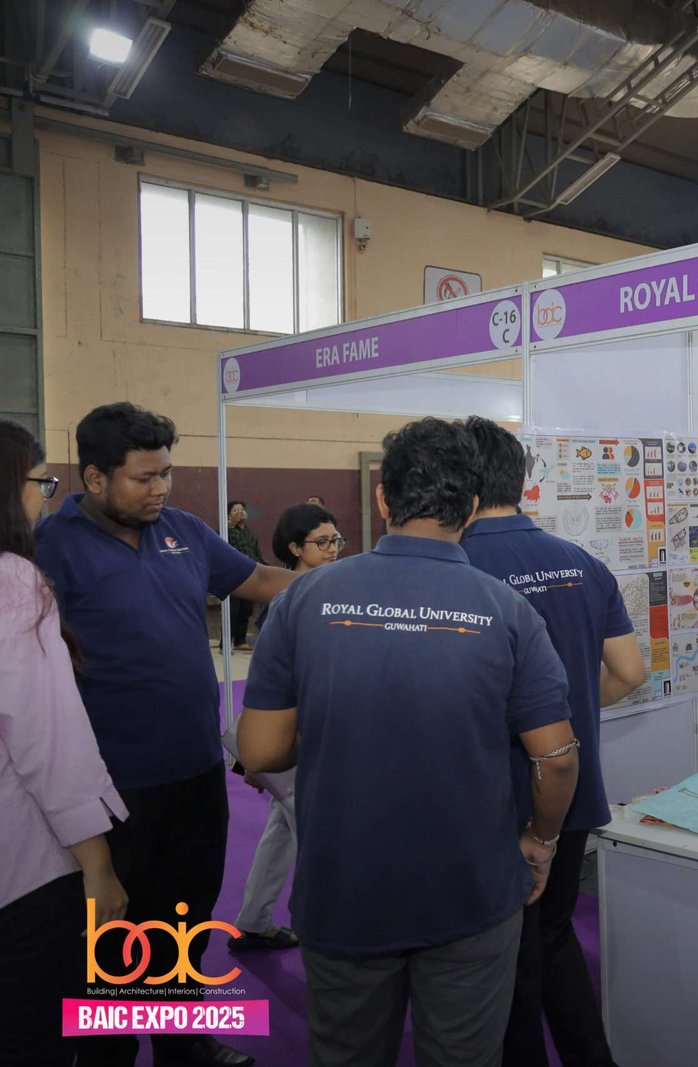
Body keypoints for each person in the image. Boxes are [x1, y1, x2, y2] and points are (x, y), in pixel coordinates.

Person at [238, 417, 578, 1067]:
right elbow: (556, 759)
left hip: (345, 888)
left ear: (382, 499)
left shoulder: (304, 599)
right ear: (472, 507)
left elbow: (259, 751)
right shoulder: (507, 609)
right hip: (471, 888)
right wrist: (542, 838)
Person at [35, 403, 291, 1067]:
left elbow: (260, 580)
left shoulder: (183, 530)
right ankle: (108, 1053)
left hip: (196, 771)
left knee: (184, 920)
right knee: (113, 937)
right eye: (144, 477)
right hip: (109, 786)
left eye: (166, 473)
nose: (161, 489)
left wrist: (351, 585)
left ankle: (182, 1042)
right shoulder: (50, 548)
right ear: (96, 477)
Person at [458, 417, 646, 1067]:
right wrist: (568, 715)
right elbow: (630, 671)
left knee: (503, 957)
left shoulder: (458, 567)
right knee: (555, 935)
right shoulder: (582, 563)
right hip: (571, 791)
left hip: (493, 799)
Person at [0, 420, 129, 1067]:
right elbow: (48, 743)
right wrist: (98, 867)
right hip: (21, 873)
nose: (44, 496)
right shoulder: (13, 582)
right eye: (39, 481)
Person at [229, 502, 342, 954]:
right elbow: (270, 686)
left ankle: (254, 919)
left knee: (281, 828)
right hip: (294, 738)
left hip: (311, 735)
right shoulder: (287, 602)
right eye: (322, 542)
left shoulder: (335, 594)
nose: (333, 549)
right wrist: (256, 755)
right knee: (312, 833)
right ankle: (324, 931)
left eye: (336, 540)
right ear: (294, 548)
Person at [226, 500, 265, 650]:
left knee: (246, 610)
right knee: (232, 610)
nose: (240, 512)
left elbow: (256, 553)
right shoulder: (226, 531)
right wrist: (229, 526)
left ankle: (240, 641)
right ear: (229, 515)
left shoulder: (250, 533)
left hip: (250, 575)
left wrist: (264, 567)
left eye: (242, 509)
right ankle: (226, 642)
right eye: (235, 510)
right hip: (234, 575)